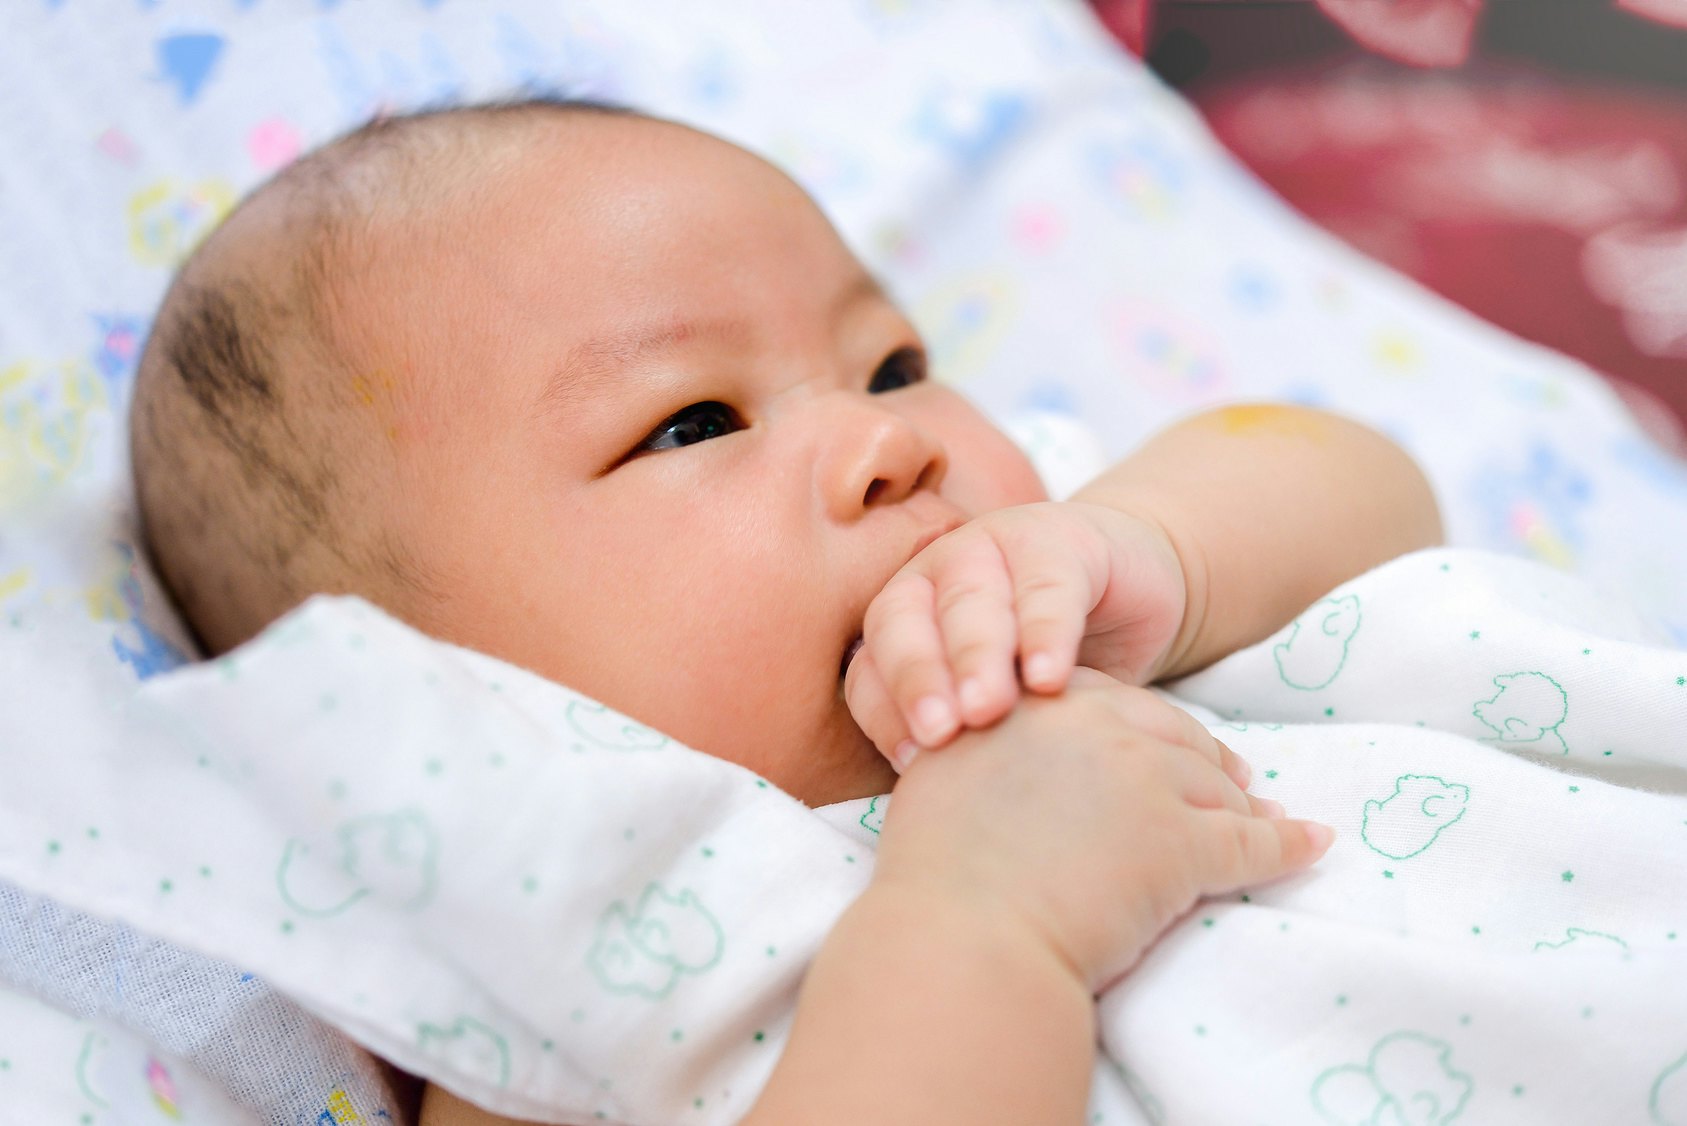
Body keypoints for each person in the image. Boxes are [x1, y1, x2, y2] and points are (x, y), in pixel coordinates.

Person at [128, 98, 1440, 1123]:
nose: (885, 434)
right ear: (420, 686)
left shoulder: (1075, 570)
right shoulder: (567, 993)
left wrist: (1158, 546)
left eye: (895, 362)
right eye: (692, 422)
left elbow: (1379, 499)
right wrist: (986, 920)